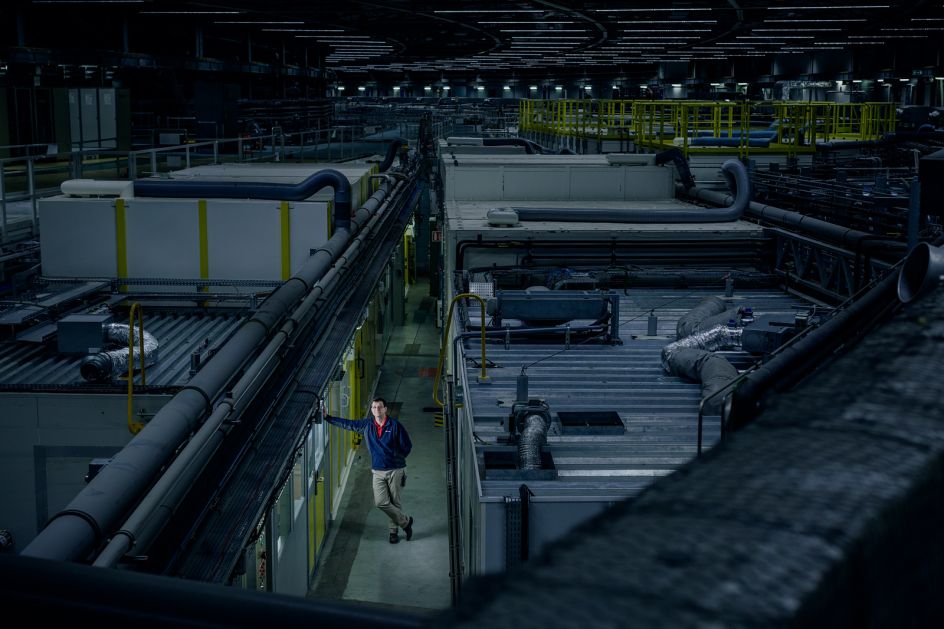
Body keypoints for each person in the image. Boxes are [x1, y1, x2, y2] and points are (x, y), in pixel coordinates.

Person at [321, 397, 414, 544]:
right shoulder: (367, 426)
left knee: (395, 502)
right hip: (377, 471)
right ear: (371, 410)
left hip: (396, 470)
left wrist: (395, 458)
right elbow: (348, 424)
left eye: (379, 407)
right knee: (381, 502)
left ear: (385, 409)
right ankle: (406, 522)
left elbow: (407, 447)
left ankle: (393, 532)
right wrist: (327, 418)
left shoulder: (395, 426)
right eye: (374, 407)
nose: (377, 409)